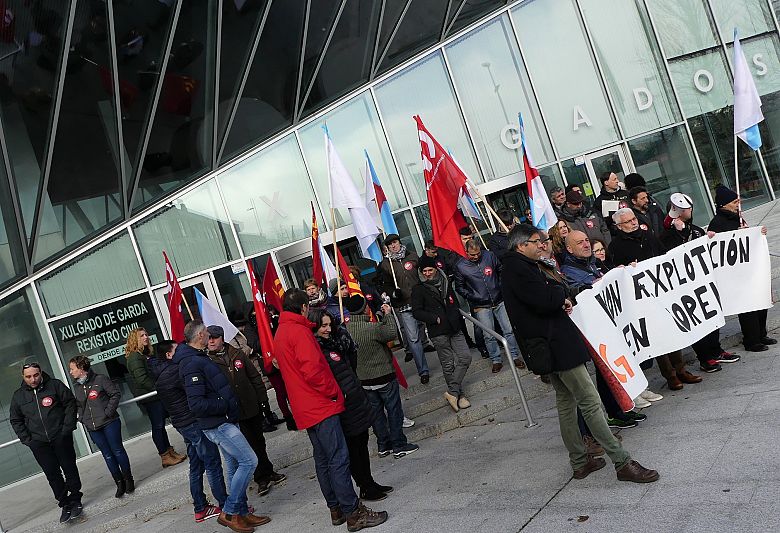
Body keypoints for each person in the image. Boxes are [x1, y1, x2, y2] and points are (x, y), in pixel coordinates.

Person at [501, 223, 659, 483]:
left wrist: (557, 293)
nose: (542, 244)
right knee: (590, 402)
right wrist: (559, 294)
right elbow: (546, 299)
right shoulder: (518, 269)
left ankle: (579, 461)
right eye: (536, 241)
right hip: (557, 346)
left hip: (550, 346)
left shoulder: (521, 267)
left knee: (566, 403)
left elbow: (548, 296)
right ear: (521, 246)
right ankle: (622, 462)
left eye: (543, 241)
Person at [274, 289, 388, 531]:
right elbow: (313, 370)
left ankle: (335, 508)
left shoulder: (282, 332)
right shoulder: (299, 331)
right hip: (320, 405)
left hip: (306, 406)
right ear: (304, 307)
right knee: (338, 458)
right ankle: (353, 512)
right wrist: (333, 392)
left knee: (324, 460)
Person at [177, 320, 270, 533]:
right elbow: (197, 403)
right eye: (206, 333)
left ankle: (243, 513)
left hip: (225, 420)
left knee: (235, 465)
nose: (209, 336)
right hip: (218, 424)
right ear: (200, 335)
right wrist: (224, 405)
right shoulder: (191, 362)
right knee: (249, 460)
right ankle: (230, 511)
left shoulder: (198, 357)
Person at [609, 208, 703, 392]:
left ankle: (681, 369)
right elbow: (615, 272)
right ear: (619, 226)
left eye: (634, 218)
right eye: (628, 221)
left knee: (671, 330)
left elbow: (663, 255)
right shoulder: (615, 246)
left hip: (661, 292)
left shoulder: (648, 235)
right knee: (657, 337)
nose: (634, 222)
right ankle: (670, 375)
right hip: (641, 299)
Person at [309, 308, 393, 501]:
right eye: (323, 326)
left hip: (356, 398)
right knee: (354, 449)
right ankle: (364, 485)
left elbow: (351, 364)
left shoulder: (340, 342)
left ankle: (369, 482)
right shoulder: (318, 349)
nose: (328, 329)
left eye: (330, 325)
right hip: (343, 404)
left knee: (362, 443)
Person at [659, 193, 740, 373]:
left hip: (704, 281)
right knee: (698, 321)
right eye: (687, 208)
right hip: (686, 287)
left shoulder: (695, 229)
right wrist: (681, 232)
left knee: (712, 317)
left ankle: (716, 350)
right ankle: (705, 358)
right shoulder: (667, 236)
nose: (691, 210)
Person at [149, 340, 227, 524]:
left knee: (196, 464)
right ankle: (226, 505)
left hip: (182, 424)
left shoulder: (160, 375)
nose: (181, 351)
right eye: (176, 349)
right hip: (192, 423)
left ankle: (200, 507)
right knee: (212, 462)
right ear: (168, 355)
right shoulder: (175, 371)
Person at [206, 325, 287, 496]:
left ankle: (268, 470)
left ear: (222, 338)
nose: (211, 341)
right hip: (234, 412)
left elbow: (254, 377)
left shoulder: (237, 353)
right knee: (248, 444)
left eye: (215, 337)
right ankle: (260, 478)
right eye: (209, 338)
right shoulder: (208, 361)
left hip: (251, 405)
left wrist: (263, 400)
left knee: (259, 441)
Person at [345, 294, 419, 461]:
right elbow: (391, 334)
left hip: (364, 380)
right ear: (364, 308)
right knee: (393, 410)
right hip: (382, 375)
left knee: (376, 413)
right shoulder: (371, 329)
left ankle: (383, 445)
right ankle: (399, 444)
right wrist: (388, 315)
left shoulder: (347, 330)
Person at [10, 362, 83, 523]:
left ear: (40, 373)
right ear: (23, 377)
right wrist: (28, 440)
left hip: (60, 437)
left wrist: (67, 429)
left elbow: (70, 403)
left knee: (69, 467)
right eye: (28, 376)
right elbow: (16, 420)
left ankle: (76, 499)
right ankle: (64, 504)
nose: (33, 379)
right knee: (52, 474)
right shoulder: (18, 396)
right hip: (39, 442)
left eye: (35, 375)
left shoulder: (55, 385)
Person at [707, 185, 775, 352]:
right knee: (748, 307)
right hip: (735, 273)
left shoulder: (738, 217)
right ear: (724, 204)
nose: (738, 204)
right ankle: (751, 340)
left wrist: (757, 233)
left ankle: (761, 333)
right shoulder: (717, 222)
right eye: (734, 201)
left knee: (759, 301)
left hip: (749, 268)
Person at [412, 254, 472, 411]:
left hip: (454, 327)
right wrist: (434, 318)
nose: (427, 273)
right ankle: (460, 395)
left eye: (430, 270)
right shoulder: (418, 289)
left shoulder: (445, 280)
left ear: (436, 268)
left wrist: (456, 316)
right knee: (448, 365)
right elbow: (417, 312)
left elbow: (453, 301)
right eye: (424, 270)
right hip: (438, 331)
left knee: (465, 357)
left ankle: (452, 392)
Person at [453, 239, 523, 373]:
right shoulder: (460, 266)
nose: (476, 257)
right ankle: (496, 359)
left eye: (478, 253)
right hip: (481, 305)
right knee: (488, 334)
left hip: (499, 299)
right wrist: (473, 297)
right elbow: (459, 287)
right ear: (466, 252)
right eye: (472, 255)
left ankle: (515, 356)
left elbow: (501, 270)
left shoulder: (489, 256)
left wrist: (501, 287)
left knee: (509, 330)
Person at [69, 356, 134, 498]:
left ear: (81, 369)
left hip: (109, 422)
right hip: (93, 427)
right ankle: (119, 482)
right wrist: (82, 418)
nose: (70, 372)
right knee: (107, 455)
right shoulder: (77, 386)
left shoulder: (100, 379)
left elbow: (115, 394)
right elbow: (79, 405)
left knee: (117, 450)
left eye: (72, 368)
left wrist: (108, 412)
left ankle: (128, 479)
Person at [124, 327, 186, 469]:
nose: (146, 337)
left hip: (155, 396)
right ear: (135, 339)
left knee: (161, 426)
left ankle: (170, 452)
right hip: (150, 398)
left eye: (146, 334)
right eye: (141, 336)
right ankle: (165, 455)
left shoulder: (144, 353)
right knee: (157, 426)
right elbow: (142, 379)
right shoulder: (134, 356)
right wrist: (159, 388)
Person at [378, 233, 429, 383]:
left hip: (421, 301)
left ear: (400, 242)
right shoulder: (386, 264)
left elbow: (423, 275)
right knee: (413, 338)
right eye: (390, 245)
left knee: (436, 331)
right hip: (405, 305)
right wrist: (394, 293)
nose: (394, 246)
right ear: (387, 248)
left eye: (395, 242)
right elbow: (385, 285)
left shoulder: (412, 256)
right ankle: (423, 370)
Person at [245, 303, 296, 431]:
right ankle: (288, 416)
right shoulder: (250, 328)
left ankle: (297, 411)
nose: (256, 314)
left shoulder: (270, 320)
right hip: (268, 362)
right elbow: (254, 345)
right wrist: (263, 333)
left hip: (282, 358)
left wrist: (271, 324)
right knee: (280, 391)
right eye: (253, 313)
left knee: (291, 387)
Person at [593, 171, 629, 236]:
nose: (617, 181)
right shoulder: (599, 201)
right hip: (615, 234)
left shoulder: (626, 193)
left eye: (617, 178)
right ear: (606, 182)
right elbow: (600, 221)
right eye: (614, 179)